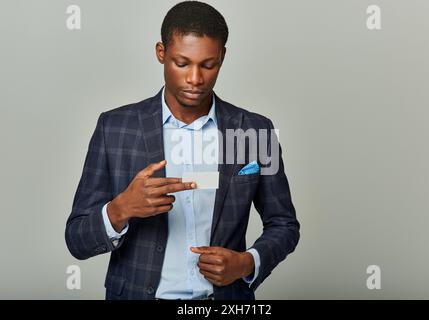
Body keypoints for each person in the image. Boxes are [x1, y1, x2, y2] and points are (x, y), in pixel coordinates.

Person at [65, 1, 300, 300]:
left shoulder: (254, 130)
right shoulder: (114, 128)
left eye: (208, 64)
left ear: (222, 57)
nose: (195, 79)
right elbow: (76, 239)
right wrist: (120, 209)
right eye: (182, 63)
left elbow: (284, 224)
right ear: (161, 53)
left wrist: (246, 262)